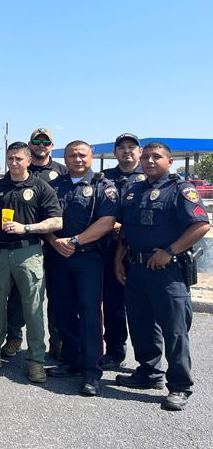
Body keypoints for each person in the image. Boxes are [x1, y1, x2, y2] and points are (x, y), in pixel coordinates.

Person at [114, 142, 210, 411]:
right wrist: (118, 260)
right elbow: (125, 231)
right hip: (137, 269)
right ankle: (148, 373)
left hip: (168, 272)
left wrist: (169, 251)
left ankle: (180, 386)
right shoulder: (134, 192)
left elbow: (201, 225)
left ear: (170, 162)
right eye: (146, 157)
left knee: (175, 331)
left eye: (157, 157)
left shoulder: (181, 189)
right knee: (141, 324)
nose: (150, 161)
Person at [0, 142, 62, 383]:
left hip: (28, 252)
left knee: (32, 310)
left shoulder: (41, 187)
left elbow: (56, 222)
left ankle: (36, 361)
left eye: (19, 159)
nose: (13, 162)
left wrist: (27, 228)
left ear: (29, 161)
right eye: (10, 158)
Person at [43, 141, 117, 396]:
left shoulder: (102, 187)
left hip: (88, 258)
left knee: (89, 314)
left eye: (82, 155)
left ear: (91, 157)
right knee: (62, 310)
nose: (77, 159)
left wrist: (74, 241)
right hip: (58, 256)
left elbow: (107, 222)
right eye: (72, 155)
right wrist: (55, 242)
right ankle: (71, 360)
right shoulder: (55, 186)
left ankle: (91, 370)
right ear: (65, 157)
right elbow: (45, 220)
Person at [21, 126, 69, 359]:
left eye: (45, 142)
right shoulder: (21, 168)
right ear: (30, 144)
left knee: (57, 297)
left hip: (56, 243)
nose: (41, 145)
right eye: (36, 141)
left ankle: (57, 343)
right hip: (26, 243)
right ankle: (16, 340)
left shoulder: (63, 172)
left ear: (52, 145)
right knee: (26, 297)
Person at [99, 132, 145, 369]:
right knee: (113, 303)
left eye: (131, 147)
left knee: (140, 306)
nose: (127, 151)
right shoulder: (105, 177)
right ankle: (115, 352)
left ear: (140, 151)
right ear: (115, 153)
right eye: (121, 148)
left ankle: (147, 361)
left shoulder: (148, 175)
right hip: (109, 247)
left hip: (138, 248)